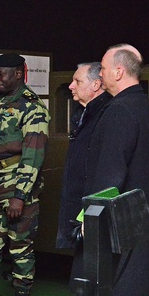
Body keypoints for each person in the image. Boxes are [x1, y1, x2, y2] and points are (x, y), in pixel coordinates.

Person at [84, 44, 149, 296]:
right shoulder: (143, 105)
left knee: (124, 290)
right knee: (138, 285)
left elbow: (110, 170)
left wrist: (93, 214)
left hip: (119, 214)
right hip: (141, 209)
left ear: (118, 71)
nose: (99, 74)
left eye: (102, 68)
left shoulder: (119, 111)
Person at [0, 53, 50, 296]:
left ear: (18, 74)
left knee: (20, 248)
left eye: (2, 74)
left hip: (17, 184)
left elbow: (34, 156)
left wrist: (20, 195)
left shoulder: (32, 107)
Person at [56, 62, 111, 252]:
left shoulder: (107, 115)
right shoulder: (82, 114)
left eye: (77, 81)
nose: (71, 86)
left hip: (95, 204)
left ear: (96, 85)